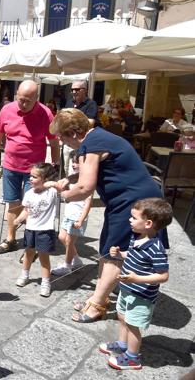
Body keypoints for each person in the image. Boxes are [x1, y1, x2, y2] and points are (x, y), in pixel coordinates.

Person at [48, 108, 167, 323]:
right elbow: (98, 169)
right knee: (107, 247)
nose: (61, 142)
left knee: (114, 252)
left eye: (61, 137)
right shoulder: (97, 137)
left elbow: (85, 187)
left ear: (73, 133)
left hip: (135, 202)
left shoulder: (91, 145)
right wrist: (72, 177)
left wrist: (62, 195)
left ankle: (98, 305)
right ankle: (99, 296)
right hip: (128, 200)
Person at [0, 80, 60, 255]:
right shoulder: (7, 109)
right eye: (20, 99)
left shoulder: (46, 113)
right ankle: (10, 239)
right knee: (12, 204)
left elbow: (54, 143)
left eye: (28, 101)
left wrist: (54, 167)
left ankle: (31, 246)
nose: (23, 104)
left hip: (35, 171)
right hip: (10, 166)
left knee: (32, 206)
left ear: (37, 98)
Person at [101, 198, 171, 371]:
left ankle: (133, 358)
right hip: (127, 290)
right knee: (123, 318)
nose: (130, 220)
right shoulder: (136, 237)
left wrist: (137, 279)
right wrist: (119, 254)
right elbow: (132, 256)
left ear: (148, 223)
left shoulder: (155, 248)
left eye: (133, 218)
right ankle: (122, 344)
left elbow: (163, 276)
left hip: (141, 295)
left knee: (133, 325)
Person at [13, 163, 59, 297]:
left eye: (34, 177)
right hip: (30, 229)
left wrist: (48, 184)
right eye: (30, 176)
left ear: (45, 179)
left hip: (45, 230)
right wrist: (19, 219)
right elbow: (26, 210)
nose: (30, 179)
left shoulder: (52, 192)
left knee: (44, 257)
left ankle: (46, 282)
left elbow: (61, 186)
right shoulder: (28, 193)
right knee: (28, 254)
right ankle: (25, 275)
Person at [49, 151, 92, 276]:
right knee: (62, 237)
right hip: (69, 213)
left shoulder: (87, 181)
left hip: (77, 215)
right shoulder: (71, 178)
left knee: (69, 241)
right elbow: (67, 198)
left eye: (77, 163)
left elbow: (88, 203)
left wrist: (81, 219)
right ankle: (77, 260)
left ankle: (67, 266)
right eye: (73, 162)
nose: (74, 165)